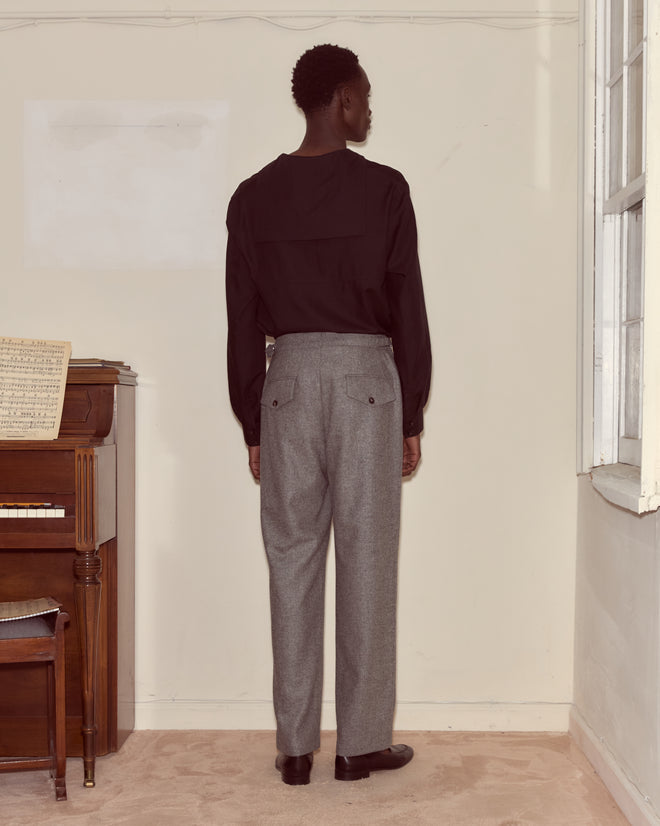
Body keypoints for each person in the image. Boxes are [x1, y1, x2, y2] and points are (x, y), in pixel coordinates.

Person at [226, 44, 431, 785]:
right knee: (368, 557)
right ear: (340, 97)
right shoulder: (384, 190)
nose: (370, 109)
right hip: (366, 381)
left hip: (287, 383)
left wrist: (255, 417)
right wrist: (414, 406)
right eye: (365, 96)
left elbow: (242, 317)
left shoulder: (252, 196)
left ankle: (292, 747)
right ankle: (360, 745)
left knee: (291, 559)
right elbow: (405, 301)